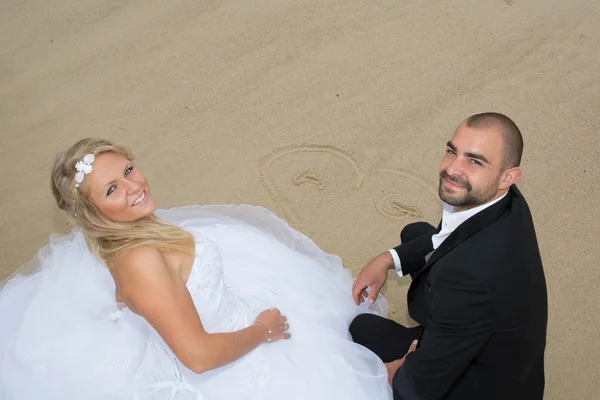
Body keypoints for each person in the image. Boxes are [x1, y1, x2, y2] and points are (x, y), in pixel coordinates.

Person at [0, 138, 392, 399]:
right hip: (227, 359)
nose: (134, 186)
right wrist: (261, 331)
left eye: (128, 170)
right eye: (111, 190)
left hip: (229, 316)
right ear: (93, 213)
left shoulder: (133, 234)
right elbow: (199, 357)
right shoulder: (140, 260)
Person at [349, 112, 548, 400]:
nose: (452, 169)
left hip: (480, 386)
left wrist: (401, 368)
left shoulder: (468, 277)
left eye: (474, 161)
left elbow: (416, 389)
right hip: (498, 347)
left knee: (361, 327)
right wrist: (387, 259)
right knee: (415, 232)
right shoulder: (504, 199)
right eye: (452, 152)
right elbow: (444, 236)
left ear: (509, 176)